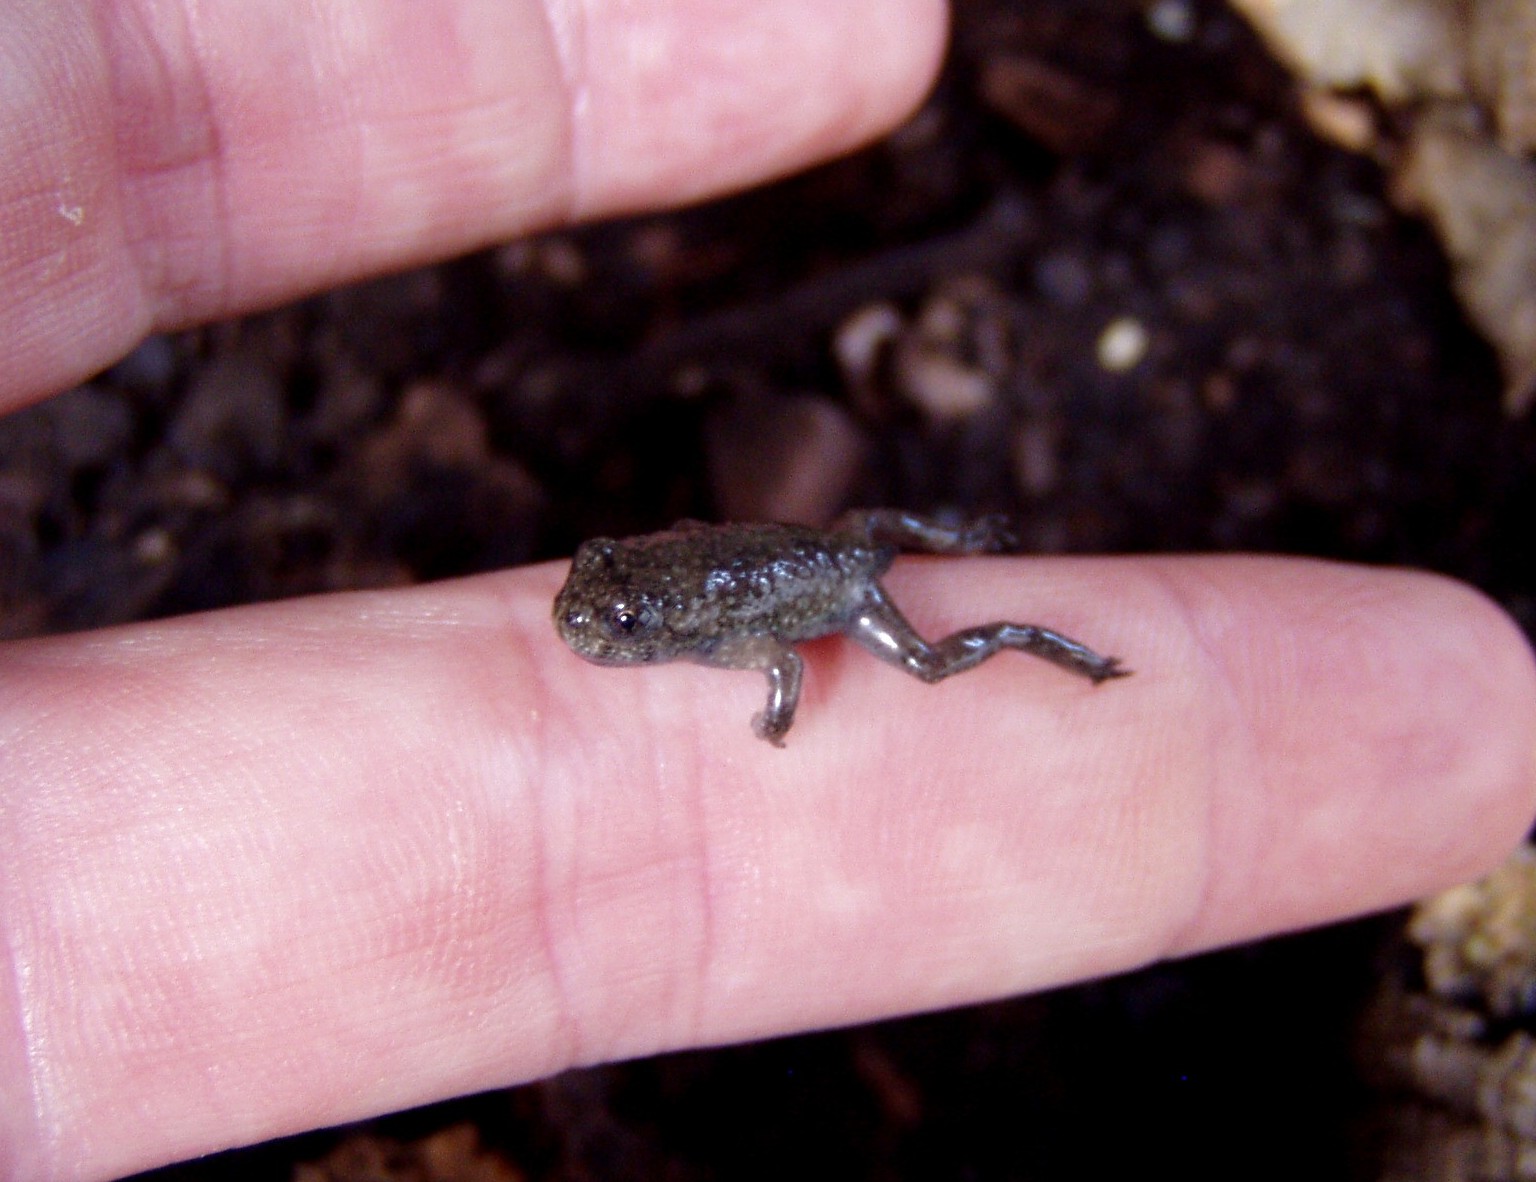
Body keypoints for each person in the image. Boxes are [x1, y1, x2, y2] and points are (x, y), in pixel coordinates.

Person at [2, 4, 1532, 1180]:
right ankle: (964, 544)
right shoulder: (662, 579)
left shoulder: (712, 622)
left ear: (656, 605)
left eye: (616, 611)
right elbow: (701, 579)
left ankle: (1049, 641)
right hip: (822, 544)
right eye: (607, 600)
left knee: (927, 657)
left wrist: (787, 723)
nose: (606, 613)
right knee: (873, 535)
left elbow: (785, 664)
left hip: (833, 578)